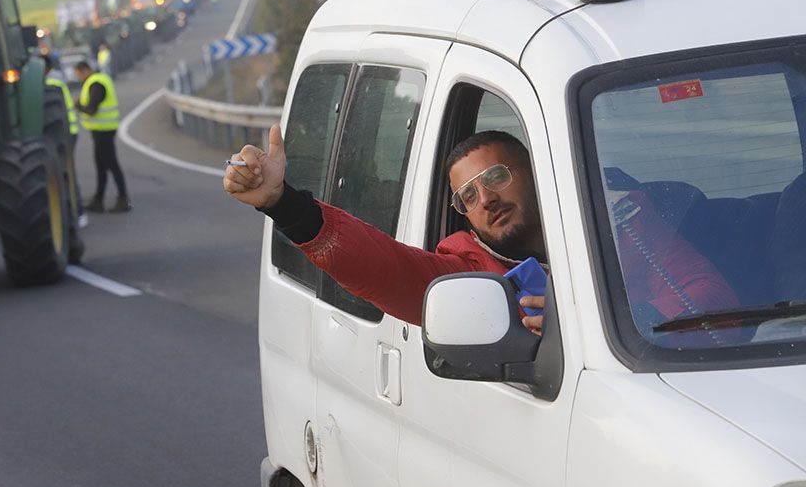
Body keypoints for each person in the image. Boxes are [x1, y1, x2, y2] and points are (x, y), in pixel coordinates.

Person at [224, 126, 738, 335]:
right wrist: (287, 206)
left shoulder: (626, 224)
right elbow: (386, 269)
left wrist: (582, 314)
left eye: (496, 176)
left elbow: (710, 297)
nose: (485, 198)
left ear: (538, 174)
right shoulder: (469, 271)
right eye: (468, 195)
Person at [73, 60, 131, 213]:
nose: (78, 78)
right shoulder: (98, 80)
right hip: (101, 130)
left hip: (104, 131)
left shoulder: (96, 83)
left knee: (111, 164)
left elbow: (92, 109)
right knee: (101, 166)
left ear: (84, 70)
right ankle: (98, 200)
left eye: (78, 74)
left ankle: (123, 199)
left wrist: (78, 105)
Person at [44, 55, 87, 228]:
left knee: (66, 173)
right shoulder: (55, 80)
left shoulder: (52, 83)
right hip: (65, 130)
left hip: (64, 132)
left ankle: (79, 212)